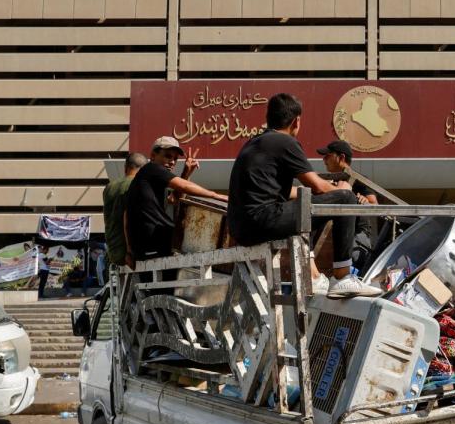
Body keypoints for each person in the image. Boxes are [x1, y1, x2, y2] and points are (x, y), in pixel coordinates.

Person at [227, 93, 381, 298]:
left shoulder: (254, 142)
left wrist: (323, 191)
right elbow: (317, 187)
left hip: (241, 229)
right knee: (345, 199)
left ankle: (313, 276)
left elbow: (288, 192)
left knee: (303, 206)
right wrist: (343, 191)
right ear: (296, 121)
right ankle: (342, 277)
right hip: (262, 221)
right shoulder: (285, 142)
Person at [125, 137, 228, 265]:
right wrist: (217, 196)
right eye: (168, 156)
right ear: (153, 155)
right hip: (153, 243)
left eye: (175, 159)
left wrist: (186, 172)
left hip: (148, 245)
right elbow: (184, 186)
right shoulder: (152, 169)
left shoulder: (151, 179)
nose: (172, 162)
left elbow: (174, 199)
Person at [317, 139, 379, 272]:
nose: (324, 159)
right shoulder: (331, 180)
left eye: (328, 156)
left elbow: (374, 204)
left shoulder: (357, 179)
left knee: (356, 267)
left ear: (341, 157)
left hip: (357, 234)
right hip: (339, 233)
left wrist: (365, 201)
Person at [103, 152, 147, 268]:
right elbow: (128, 220)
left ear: (126, 168)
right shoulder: (137, 185)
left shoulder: (109, 187)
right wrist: (129, 251)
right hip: (130, 253)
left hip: (114, 251)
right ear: (144, 170)